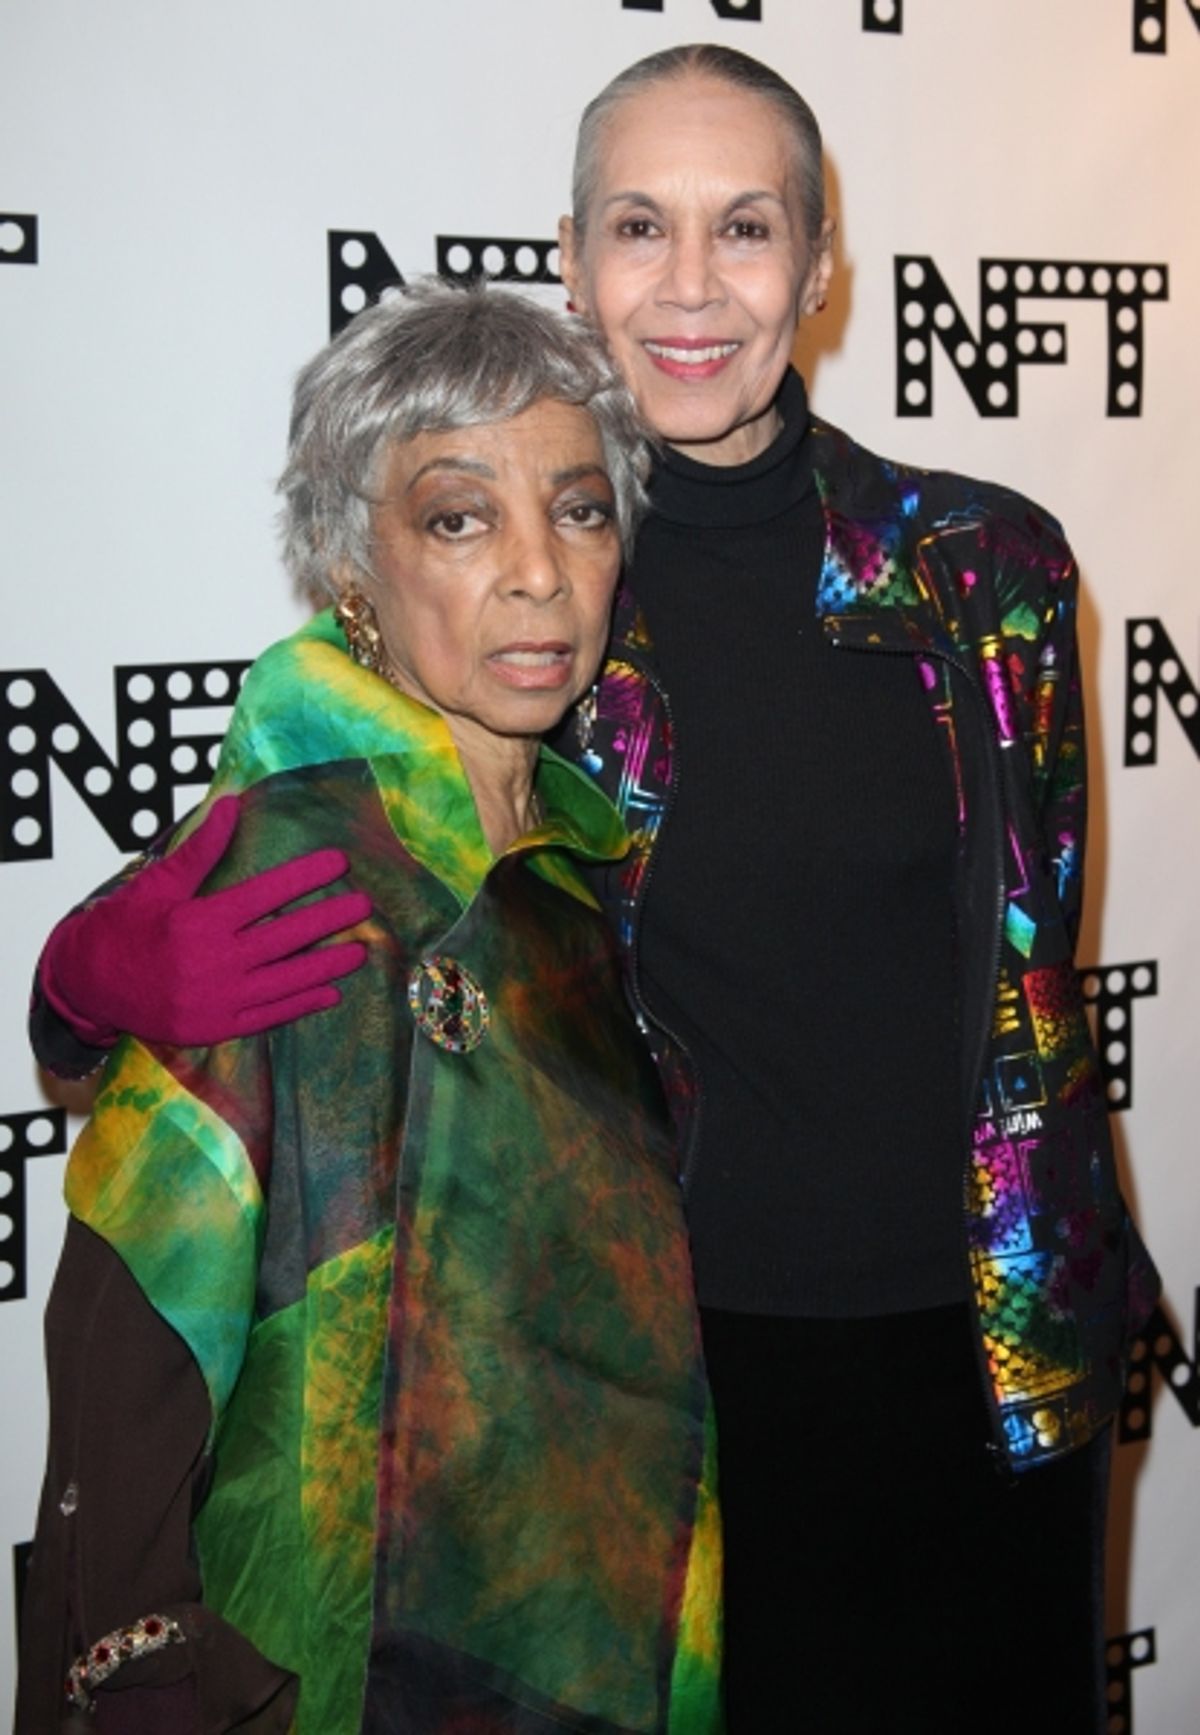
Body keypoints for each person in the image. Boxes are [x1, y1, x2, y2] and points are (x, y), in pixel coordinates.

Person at [28, 44, 1157, 1735]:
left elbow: (1031, 977)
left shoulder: (989, 569)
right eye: (641, 226)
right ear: (571, 257)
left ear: (823, 265)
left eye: (748, 228)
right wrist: (88, 973)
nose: (693, 287)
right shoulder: (525, 584)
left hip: (986, 1371)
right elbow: (294, 865)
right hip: (648, 1399)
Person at [17, 282, 723, 1735]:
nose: (538, 574)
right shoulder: (282, 863)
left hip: (598, 1635)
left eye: (580, 513)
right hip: (313, 1664)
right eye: (461, 519)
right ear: (354, 561)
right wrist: (139, 1670)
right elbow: (131, 1339)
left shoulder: (596, 883)